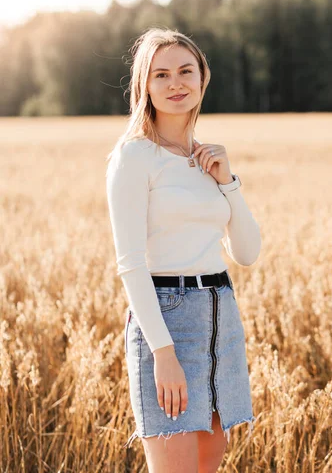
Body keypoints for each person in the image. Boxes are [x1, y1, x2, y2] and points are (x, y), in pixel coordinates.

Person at [105, 27, 261, 473]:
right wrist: (163, 353)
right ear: (144, 87)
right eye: (161, 74)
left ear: (202, 78)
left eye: (185, 71)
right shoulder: (134, 157)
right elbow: (131, 264)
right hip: (167, 320)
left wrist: (228, 182)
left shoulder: (207, 158)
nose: (176, 84)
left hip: (221, 316)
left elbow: (247, 253)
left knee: (210, 462)